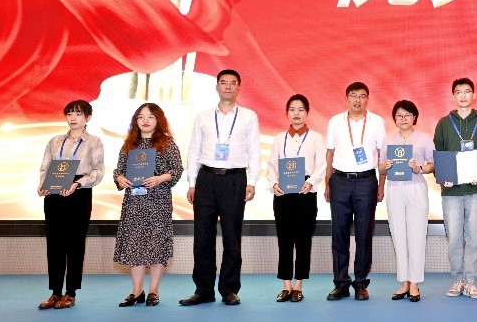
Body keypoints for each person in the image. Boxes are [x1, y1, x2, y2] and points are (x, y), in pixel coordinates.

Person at [180, 70, 262, 307]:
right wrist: (192, 182)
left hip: (235, 179)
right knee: (202, 237)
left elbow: (254, 149)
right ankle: (203, 290)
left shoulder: (249, 116)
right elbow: (194, 150)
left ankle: (229, 289)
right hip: (206, 179)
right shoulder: (203, 116)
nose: (227, 87)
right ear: (216, 87)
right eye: (223, 83)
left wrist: (252, 181)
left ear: (239, 88)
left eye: (232, 83)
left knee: (231, 236)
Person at [36, 99, 105, 309]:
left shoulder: (94, 142)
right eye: (69, 113)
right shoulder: (55, 141)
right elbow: (45, 167)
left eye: (78, 114)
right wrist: (43, 185)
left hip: (79, 193)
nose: (73, 118)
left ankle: (71, 292)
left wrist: (78, 183)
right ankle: (55, 292)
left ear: (87, 117)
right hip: (54, 193)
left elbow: (98, 171)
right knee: (54, 244)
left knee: (75, 244)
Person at [113, 103, 184, 307]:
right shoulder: (129, 144)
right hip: (134, 202)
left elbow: (177, 170)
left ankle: (154, 290)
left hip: (158, 201)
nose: (145, 120)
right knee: (134, 245)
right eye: (141, 117)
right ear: (135, 120)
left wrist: (160, 178)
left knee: (156, 244)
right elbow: (118, 170)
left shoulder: (167, 144)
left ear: (158, 120)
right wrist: (120, 178)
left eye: (150, 117)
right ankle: (137, 291)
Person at [432, 78, 477, 299]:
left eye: (467, 91)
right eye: (459, 92)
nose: (463, 96)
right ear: (453, 96)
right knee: (455, 238)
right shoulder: (443, 123)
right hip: (451, 192)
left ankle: (471, 281)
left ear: (474, 95)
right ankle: (458, 279)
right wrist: (442, 177)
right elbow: (438, 155)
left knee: (474, 237)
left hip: (475, 190)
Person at [325, 81, 386, 300]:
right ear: (346, 98)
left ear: (367, 99)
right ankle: (341, 283)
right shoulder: (335, 121)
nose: (357, 100)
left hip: (366, 181)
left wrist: (381, 185)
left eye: (362, 96)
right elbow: (330, 154)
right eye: (353, 95)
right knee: (339, 233)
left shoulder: (377, 122)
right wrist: (327, 183)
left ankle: (361, 282)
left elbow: (382, 155)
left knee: (364, 233)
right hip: (340, 181)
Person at [266, 94, 326, 302]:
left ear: (307, 113)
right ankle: (286, 285)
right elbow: (272, 165)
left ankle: (298, 285)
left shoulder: (316, 138)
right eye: (292, 109)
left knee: (303, 240)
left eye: (301, 109)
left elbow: (322, 164)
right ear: (287, 113)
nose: (296, 113)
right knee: (284, 240)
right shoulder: (279, 138)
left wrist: (312, 182)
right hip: (283, 193)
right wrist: (273, 183)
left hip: (305, 192)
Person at [379, 100, 435, 302]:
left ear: (414, 117)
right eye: (399, 116)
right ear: (394, 118)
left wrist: (419, 168)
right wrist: (385, 165)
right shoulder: (388, 140)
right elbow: (380, 167)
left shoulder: (424, 138)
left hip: (415, 188)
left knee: (417, 235)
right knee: (398, 235)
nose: (403, 119)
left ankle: (415, 283)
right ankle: (404, 281)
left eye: (407, 115)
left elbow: (432, 165)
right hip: (394, 189)